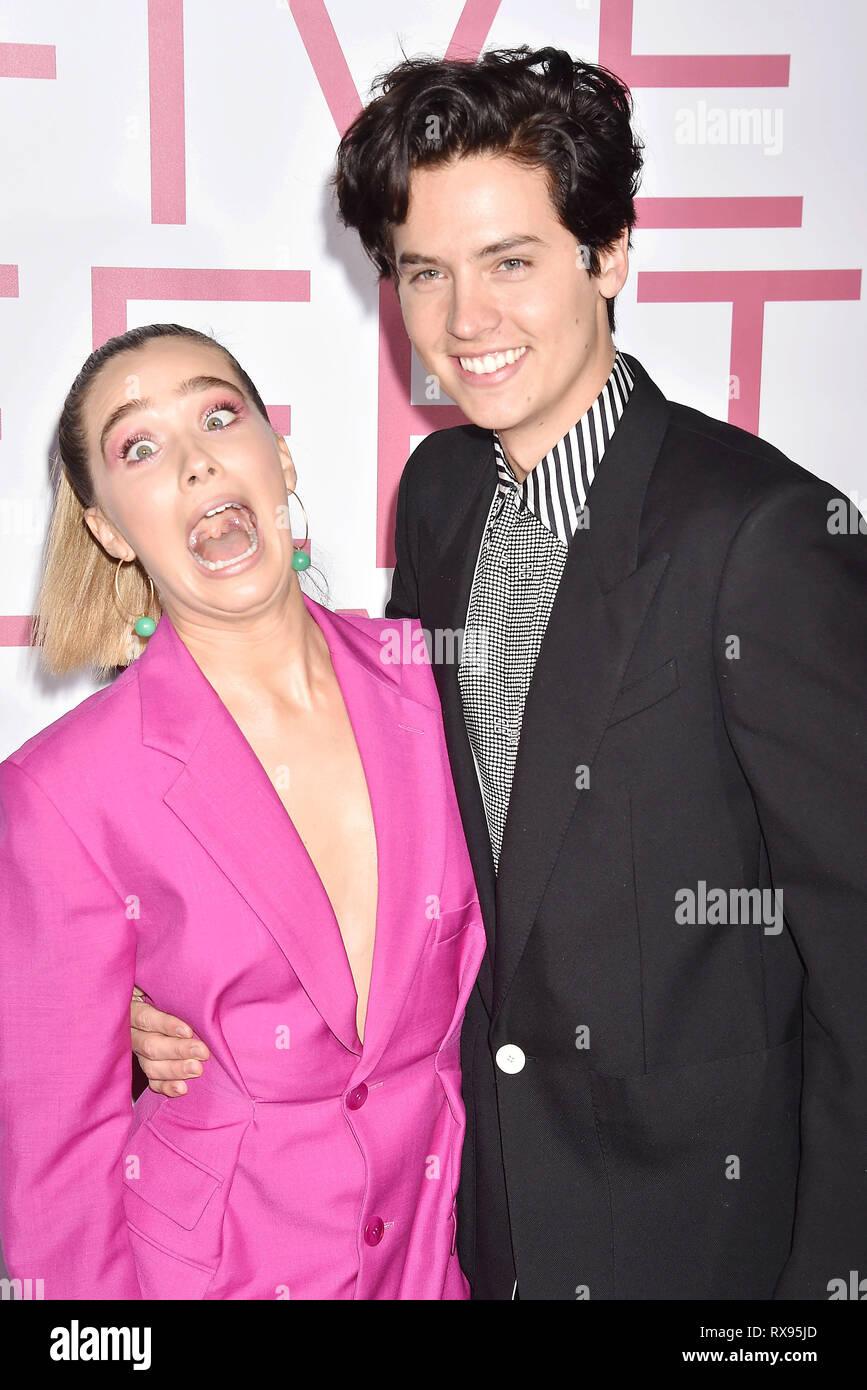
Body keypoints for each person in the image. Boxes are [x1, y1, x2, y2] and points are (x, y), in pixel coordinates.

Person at [132, 47, 867, 1300]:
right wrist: (205, 996)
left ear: (611, 253)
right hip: (483, 1209)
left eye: (512, 262)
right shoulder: (442, 494)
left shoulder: (761, 538)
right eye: (427, 272)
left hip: (704, 1238)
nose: (466, 321)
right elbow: (420, 846)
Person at [0, 322, 486, 1300]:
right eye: (139, 446)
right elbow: (56, 1166)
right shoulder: (62, 792)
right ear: (106, 528)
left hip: (444, 1256)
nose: (194, 460)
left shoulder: (441, 681)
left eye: (220, 415)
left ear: (280, 455)